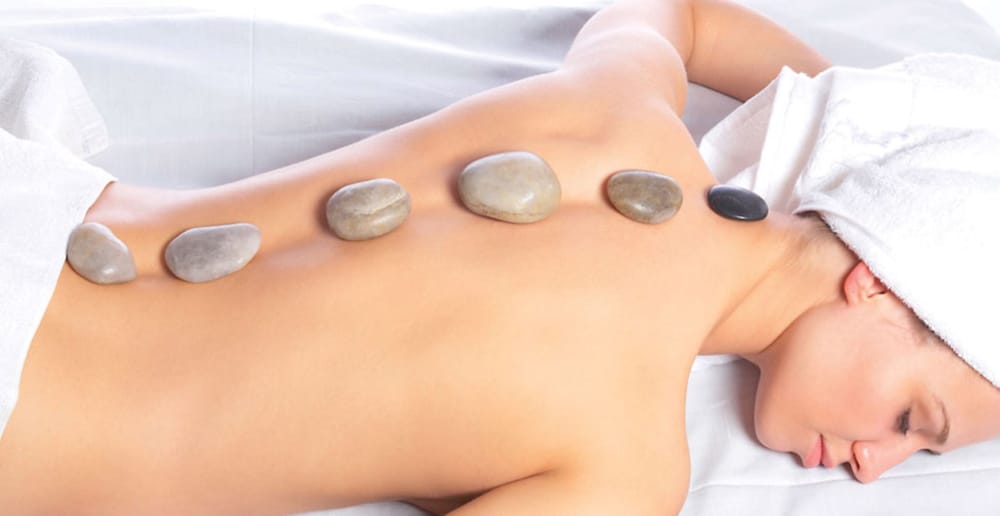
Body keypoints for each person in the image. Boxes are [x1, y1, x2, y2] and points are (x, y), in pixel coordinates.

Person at [0, 0, 997, 514]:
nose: (873, 467)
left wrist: (860, 141)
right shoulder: (624, 469)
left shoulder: (617, 113)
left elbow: (677, 17)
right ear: (879, 277)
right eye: (913, 420)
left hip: (34, 206)